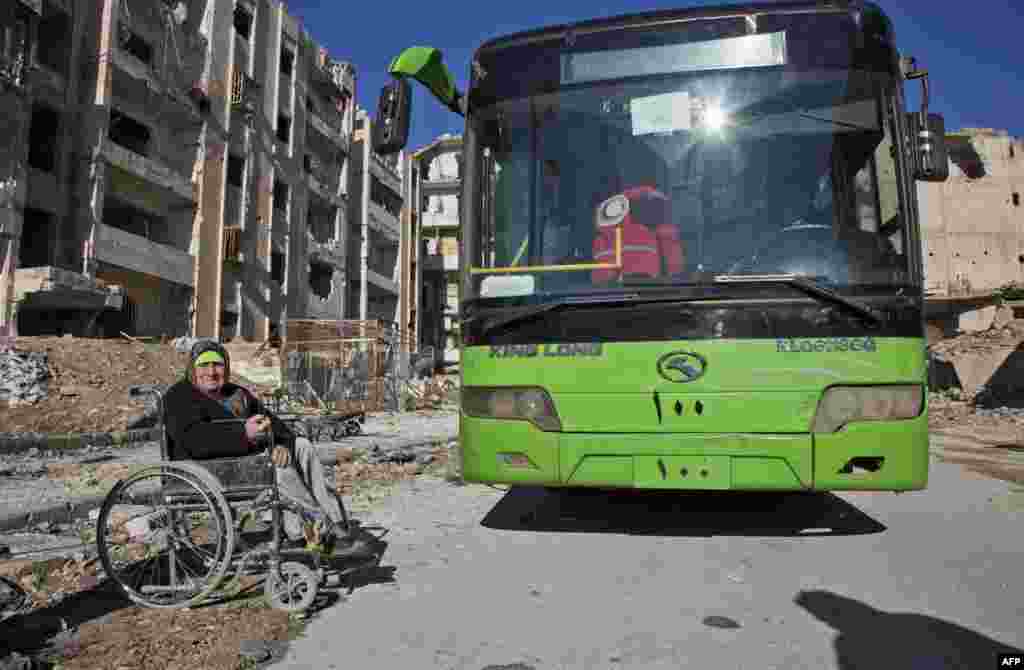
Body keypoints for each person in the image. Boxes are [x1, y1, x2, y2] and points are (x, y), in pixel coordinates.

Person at [163, 339, 354, 555]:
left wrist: (281, 444)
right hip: (202, 469)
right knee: (278, 467)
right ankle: (314, 532)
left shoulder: (236, 394)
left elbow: (276, 425)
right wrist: (244, 434)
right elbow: (195, 441)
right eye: (204, 365)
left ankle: (328, 523)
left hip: (242, 464)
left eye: (217, 365)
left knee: (301, 446)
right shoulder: (179, 396)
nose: (211, 372)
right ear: (192, 368)